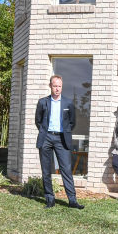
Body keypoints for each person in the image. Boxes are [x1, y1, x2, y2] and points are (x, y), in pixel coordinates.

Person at [33, 75, 83, 209]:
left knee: (66, 169)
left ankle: (72, 200)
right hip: (46, 138)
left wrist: (64, 132)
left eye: (59, 86)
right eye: (55, 86)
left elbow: (72, 122)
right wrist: (45, 131)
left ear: (62, 87)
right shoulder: (43, 102)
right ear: (50, 86)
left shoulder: (68, 103)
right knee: (46, 170)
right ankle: (50, 199)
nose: (57, 88)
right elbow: (38, 121)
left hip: (62, 139)